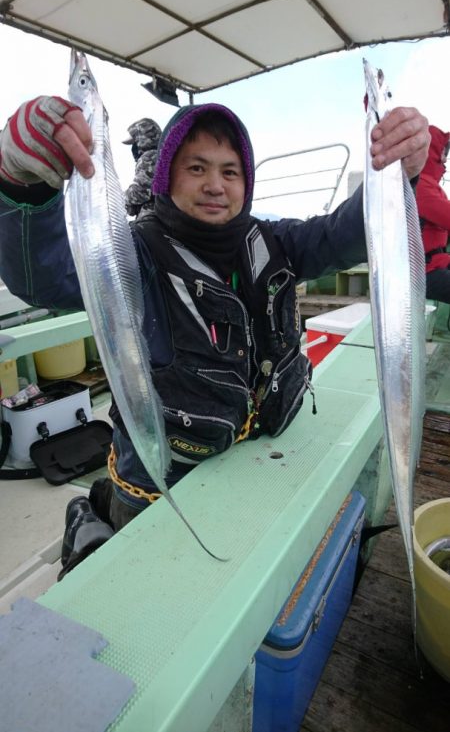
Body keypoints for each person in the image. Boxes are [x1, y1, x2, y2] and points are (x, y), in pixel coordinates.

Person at [0, 95, 430, 571]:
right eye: (196, 168)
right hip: (161, 482)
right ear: (165, 177)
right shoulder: (135, 256)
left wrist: (398, 173)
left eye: (230, 172)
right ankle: (98, 515)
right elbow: (47, 278)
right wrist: (22, 185)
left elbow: (342, 235)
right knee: (155, 581)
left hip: (257, 455)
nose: (215, 185)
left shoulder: (275, 241)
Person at [415, 124, 450, 302]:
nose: (445, 159)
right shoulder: (420, 185)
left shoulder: (431, 185)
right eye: (443, 152)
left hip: (437, 262)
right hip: (422, 272)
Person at [122, 117, 162, 218]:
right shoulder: (161, 156)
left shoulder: (149, 157)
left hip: (153, 216)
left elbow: (140, 192)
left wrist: (120, 199)